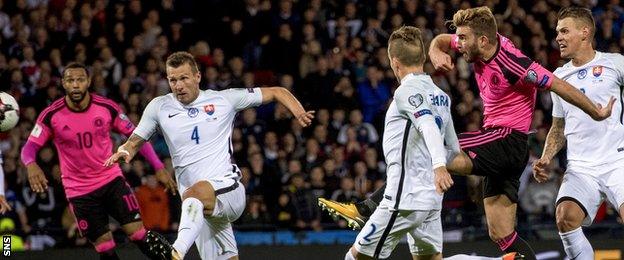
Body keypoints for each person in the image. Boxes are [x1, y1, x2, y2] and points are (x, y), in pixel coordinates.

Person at [319, 6, 615, 260]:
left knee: (429, 147)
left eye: (463, 38)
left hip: (504, 140)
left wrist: (596, 111)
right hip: (505, 149)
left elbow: (558, 85)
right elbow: (443, 40)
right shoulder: (476, 44)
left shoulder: (513, 62)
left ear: (483, 40)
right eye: (458, 37)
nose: (458, 44)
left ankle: (366, 208)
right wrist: (435, 49)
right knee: (501, 232)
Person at [104, 51, 314, 260]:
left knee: (194, 195)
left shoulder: (224, 100)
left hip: (227, 190)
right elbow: (135, 140)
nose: (178, 85)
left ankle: (174, 252)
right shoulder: (159, 107)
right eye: (173, 80)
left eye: (184, 78)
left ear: (197, 76)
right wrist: (124, 150)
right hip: (196, 210)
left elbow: (276, 91)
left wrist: (299, 111)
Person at [343, 25, 521, 260]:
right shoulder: (441, 96)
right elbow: (454, 149)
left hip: (403, 199)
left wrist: (438, 166)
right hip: (431, 199)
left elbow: (426, 124)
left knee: (354, 258)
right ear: (423, 57)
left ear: (394, 62)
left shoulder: (405, 92)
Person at [20, 62, 176, 260]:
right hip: (79, 191)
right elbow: (29, 148)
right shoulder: (51, 115)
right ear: (63, 84)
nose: (75, 85)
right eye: (70, 80)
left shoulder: (106, 107)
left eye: (80, 80)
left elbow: (137, 137)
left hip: (111, 180)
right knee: (105, 247)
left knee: (138, 234)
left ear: (89, 81)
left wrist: (159, 166)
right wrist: (31, 164)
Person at [533, 7, 624, 260]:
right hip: (581, 167)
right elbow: (558, 127)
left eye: (564, 31)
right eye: (557, 32)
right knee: (565, 217)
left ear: (585, 32)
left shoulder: (615, 63)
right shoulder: (559, 77)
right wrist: (546, 157)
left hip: (619, 161)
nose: (558, 37)